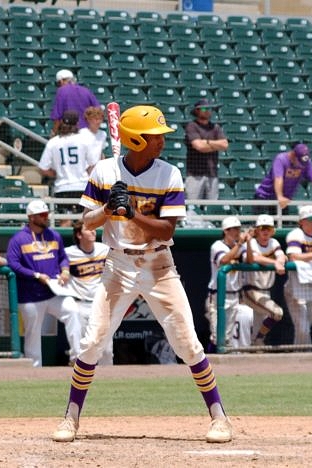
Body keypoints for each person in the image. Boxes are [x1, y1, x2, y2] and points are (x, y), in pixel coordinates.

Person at [52, 105, 232, 444]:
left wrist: (131, 212)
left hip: (158, 265)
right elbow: (86, 222)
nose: (161, 141)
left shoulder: (169, 174)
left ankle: (220, 418)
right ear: (135, 139)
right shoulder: (105, 171)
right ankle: (70, 419)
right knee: (91, 343)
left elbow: (165, 231)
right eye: (154, 137)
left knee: (188, 344)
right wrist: (108, 209)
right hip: (118, 265)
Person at [6, 199, 83, 367]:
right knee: (33, 332)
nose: (46, 217)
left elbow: (63, 257)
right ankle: (35, 369)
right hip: (30, 295)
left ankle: (77, 356)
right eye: (42, 215)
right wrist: (35, 275)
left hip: (54, 291)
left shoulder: (54, 235)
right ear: (31, 217)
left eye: (47, 214)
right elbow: (13, 264)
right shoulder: (18, 239)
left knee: (73, 310)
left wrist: (65, 270)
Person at [63, 220, 113, 365]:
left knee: (106, 351)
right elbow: (57, 264)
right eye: (88, 229)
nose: (93, 231)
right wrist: (64, 271)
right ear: (79, 235)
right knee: (82, 351)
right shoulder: (68, 253)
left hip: (101, 305)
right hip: (80, 305)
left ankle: (109, 383)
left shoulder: (104, 249)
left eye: (94, 229)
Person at [39, 110, 99, 227]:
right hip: (82, 186)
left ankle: (65, 245)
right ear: (77, 124)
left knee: (65, 221)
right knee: (84, 222)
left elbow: (43, 168)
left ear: (62, 122)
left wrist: (56, 174)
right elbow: (92, 164)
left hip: (62, 188)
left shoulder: (53, 142)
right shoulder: (85, 140)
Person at [283, 205, 312, 345]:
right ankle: (304, 356)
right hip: (296, 286)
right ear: (301, 221)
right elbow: (293, 257)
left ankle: (300, 359)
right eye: (309, 219)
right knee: (303, 328)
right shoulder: (295, 234)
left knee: (304, 328)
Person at [205, 216, 252, 349]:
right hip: (217, 295)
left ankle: (223, 366)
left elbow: (250, 261)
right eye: (234, 229)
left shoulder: (240, 247)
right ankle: (211, 361)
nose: (237, 232)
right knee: (216, 335)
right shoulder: (217, 245)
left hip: (234, 295)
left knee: (227, 336)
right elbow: (224, 260)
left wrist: (248, 243)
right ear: (226, 231)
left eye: (238, 229)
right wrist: (239, 244)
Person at [243, 213, 287, 346]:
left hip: (266, 291)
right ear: (257, 230)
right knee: (277, 312)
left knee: (258, 325)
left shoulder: (274, 243)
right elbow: (255, 258)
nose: (265, 231)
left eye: (268, 228)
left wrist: (279, 261)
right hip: (251, 291)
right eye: (262, 228)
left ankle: (256, 345)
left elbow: (282, 256)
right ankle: (258, 340)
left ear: (273, 230)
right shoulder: (251, 243)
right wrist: (275, 263)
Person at [254, 143, 312, 214]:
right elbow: (278, 178)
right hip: (265, 196)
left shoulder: (306, 162)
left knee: (284, 225)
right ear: (293, 155)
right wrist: (280, 197)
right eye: (299, 162)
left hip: (285, 200)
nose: (301, 165)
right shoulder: (281, 159)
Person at [184, 98, 229, 201]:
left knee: (212, 206)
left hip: (212, 174)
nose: (207, 111)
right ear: (197, 111)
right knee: (192, 207)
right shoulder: (192, 126)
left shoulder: (215, 127)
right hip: (195, 174)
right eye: (204, 108)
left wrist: (207, 142)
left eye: (209, 108)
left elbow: (225, 145)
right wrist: (215, 145)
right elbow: (199, 146)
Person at [50, 69, 100, 136]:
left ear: (61, 81)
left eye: (58, 83)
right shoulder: (86, 91)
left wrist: (54, 133)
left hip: (70, 133)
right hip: (88, 133)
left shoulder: (61, 91)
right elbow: (98, 112)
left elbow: (57, 118)